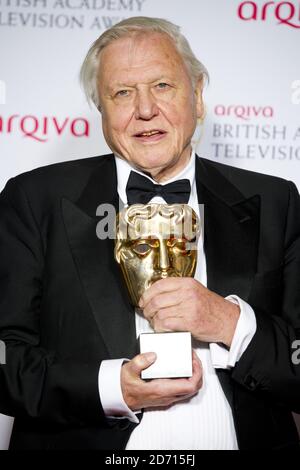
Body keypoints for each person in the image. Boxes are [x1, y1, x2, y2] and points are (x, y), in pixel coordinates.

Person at [0, 16, 299, 450]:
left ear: (197, 97)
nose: (144, 109)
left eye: (162, 85)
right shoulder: (33, 199)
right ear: (101, 110)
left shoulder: (276, 202)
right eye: (122, 92)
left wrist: (230, 323)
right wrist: (110, 388)